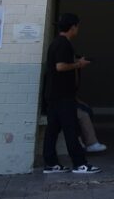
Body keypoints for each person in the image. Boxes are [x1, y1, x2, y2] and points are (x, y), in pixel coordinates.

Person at [41, 13, 100, 174]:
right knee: (70, 129)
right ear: (73, 27)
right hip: (62, 96)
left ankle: (51, 163)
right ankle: (79, 163)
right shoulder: (64, 44)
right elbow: (60, 66)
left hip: (53, 95)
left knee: (52, 130)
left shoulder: (55, 43)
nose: (78, 29)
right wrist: (78, 64)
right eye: (77, 26)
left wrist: (76, 60)